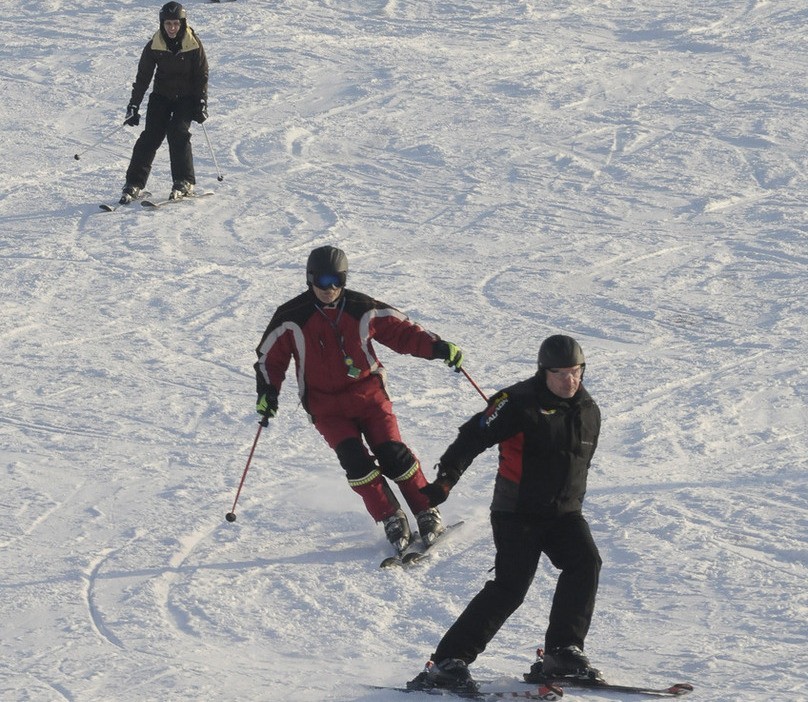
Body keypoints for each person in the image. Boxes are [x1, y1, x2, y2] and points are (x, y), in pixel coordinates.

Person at [409, 335, 603, 693]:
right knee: (511, 588)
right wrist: (446, 480)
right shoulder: (515, 402)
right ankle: (448, 662)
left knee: (585, 562)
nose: (569, 381)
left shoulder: (588, 411)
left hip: (563, 513)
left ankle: (562, 652)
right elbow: (472, 436)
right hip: (518, 513)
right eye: (560, 373)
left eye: (575, 372)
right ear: (543, 372)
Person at [253, 245, 465, 554]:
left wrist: (437, 348)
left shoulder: (360, 307)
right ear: (310, 279)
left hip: (369, 396)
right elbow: (269, 358)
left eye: (337, 280)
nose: (330, 289)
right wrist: (268, 393)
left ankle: (426, 509)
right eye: (323, 281)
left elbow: (402, 332)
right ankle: (391, 516)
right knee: (355, 462)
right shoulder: (291, 317)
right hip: (326, 408)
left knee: (393, 454)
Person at [119, 2, 208, 204]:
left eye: (176, 23)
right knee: (150, 136)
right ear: (162, 24)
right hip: (161, 96)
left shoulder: (194, 44)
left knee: (178, 132)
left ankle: (184, 181)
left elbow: (201, 75)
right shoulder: (154, 44)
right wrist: (133, 105)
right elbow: (143, 77)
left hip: (185, 98)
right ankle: (133, 183)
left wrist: (201, 102)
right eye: (168, 23)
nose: (172, 28)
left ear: (182, 23)